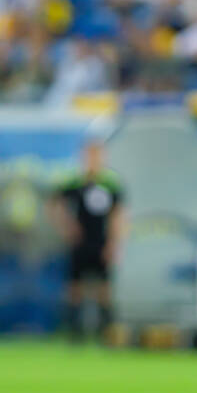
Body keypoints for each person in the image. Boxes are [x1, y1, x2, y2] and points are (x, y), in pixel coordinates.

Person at [51, 138, 126, 339]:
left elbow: (118, 215)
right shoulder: (74, 181)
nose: (93, 159)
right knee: (75, 288)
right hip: (79, 243)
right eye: (90, 155)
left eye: (97, 155)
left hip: (101, 242)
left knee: (104, 290)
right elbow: (55, 204)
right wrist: (67, 226)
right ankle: (75, 334)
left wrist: (114, 243)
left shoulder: (110, 183)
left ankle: (106, 333)